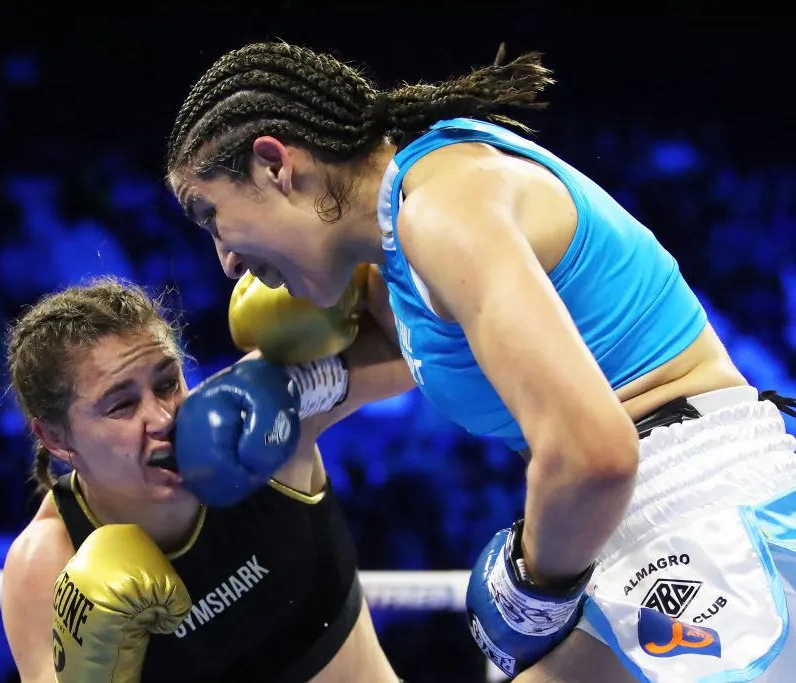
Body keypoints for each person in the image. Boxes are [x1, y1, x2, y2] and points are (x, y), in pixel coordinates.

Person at [164, 41, 796, 682]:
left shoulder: (445, 212)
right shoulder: (403, 229)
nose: (226, 261)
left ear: (274, 164)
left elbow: (593, 456)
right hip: (645, 520)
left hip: (696, 503)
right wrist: (291, 386)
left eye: (212, 218)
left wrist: (531, 587)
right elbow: (422, 354)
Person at [0, 274, 415, 683]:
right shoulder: (48, 565)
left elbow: (422, 352)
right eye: (122, 405)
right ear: (55, 437)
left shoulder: (254, 416)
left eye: (167, 384)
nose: (162, 418)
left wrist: (303, 379)